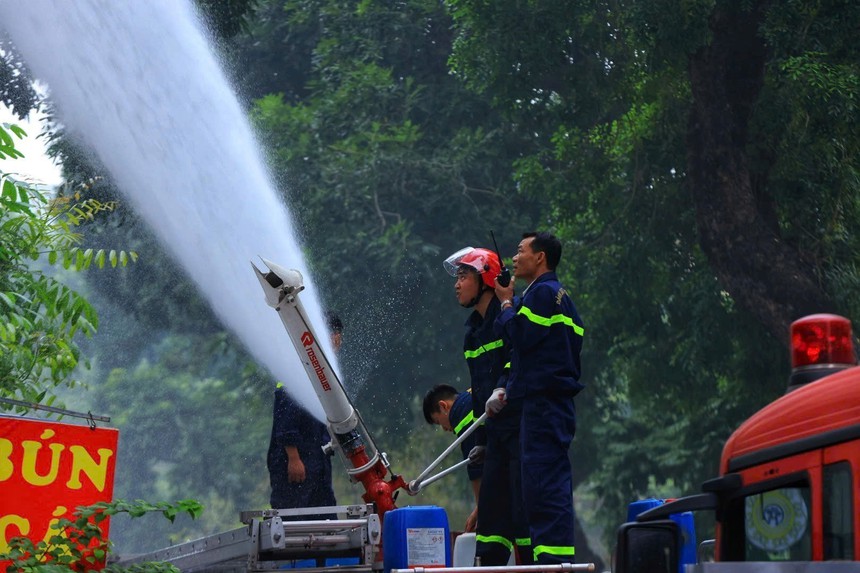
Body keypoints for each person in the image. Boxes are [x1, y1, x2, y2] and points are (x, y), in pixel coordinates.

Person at [490, 231, 584, 565]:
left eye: (520, 251)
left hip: (544, 407)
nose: (514, 258)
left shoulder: (543, 294)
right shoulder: (560, 297)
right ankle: (551, 563)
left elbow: (520, 335)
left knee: (543, 488)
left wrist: (505, 301)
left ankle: (552, 566)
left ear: (540, 257)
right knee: (543, 487)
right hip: (548, 404)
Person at [442, 247, 533, 566]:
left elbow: (519, 358)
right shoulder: (471, 333)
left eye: (464, 276)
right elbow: (480, 395)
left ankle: (531, 566)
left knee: (524, 517)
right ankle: (491, 564)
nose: (457, 284)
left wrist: (503, 387)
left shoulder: (511, 314)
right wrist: (480, 442)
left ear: (486, 280)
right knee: (491, 522)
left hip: (522, 433)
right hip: (495, 437)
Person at [266, 311, 344, 518]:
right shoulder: (298, 368)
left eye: (338, 336)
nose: (337, 341)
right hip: (296, 460)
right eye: (334, 335)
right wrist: (293, 458)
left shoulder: (324, 374)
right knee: (294, 519)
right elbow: (286, 420)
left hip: (317, 459)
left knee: (325, 516)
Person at [422, 383, 483, 532]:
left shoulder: (461, 413)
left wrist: (479, 511)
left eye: (438, 422)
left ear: (443, 406)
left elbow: (475, 466)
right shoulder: (470, 396)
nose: (445, 429)